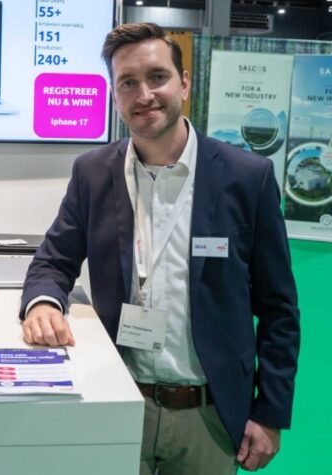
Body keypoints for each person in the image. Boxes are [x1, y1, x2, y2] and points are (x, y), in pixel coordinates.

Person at [20, 22, 299, 474]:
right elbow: (53, 260)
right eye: (128, 83)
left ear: (184, 84)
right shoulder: (92, 173)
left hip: (208, 415)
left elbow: (279, 308)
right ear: (115, 95)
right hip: (117, 399)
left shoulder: (247, 178)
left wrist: (269, 412)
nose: (144, 94)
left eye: (157, 77)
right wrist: (43, 303)